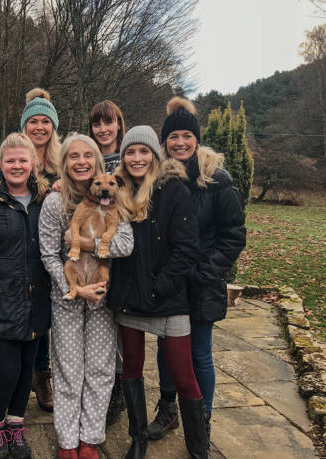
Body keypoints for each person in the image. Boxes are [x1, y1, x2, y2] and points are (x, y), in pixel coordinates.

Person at [148, 97, 246, 452]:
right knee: (165, 349)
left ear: (196, 139)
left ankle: (201, 418)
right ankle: (169, 408)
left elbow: (234, 234)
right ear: (165, 141)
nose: (180, 143)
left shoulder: (217, 180)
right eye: (173, 137)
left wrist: (206, 272)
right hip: (168, 282)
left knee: (199, 353)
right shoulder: (157, 179)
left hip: (202, 283)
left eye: (186, 135)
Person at [107, 125, 207, 459]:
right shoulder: (117, 189)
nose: (136, 158)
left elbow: (186, 250)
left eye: (143, 151)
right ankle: (138, 438)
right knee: (132, 368)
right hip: (129, 298)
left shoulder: (173, 189)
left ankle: (199, 448)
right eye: (130, 152)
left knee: (183, 375)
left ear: (154, 154)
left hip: (168, 298)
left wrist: (157, 289)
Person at [39, 133, 134, 459]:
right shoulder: (54, 203)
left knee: (100, 369)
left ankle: (90, 438)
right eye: (73, 156)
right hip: (67, 296)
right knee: (67, 370)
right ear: (64, 163)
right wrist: (74, 289)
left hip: (102, 297)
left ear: (96, 162)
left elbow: (125, 244)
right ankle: (67, 441)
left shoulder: (114, 200)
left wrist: (90, 247)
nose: (80, 161)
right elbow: (49, 254)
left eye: (87, 156)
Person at [0, 87, 61, 413]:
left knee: (39, 329)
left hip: (42, 257)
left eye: (45, 122)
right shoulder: (6, 157)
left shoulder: (59, 161)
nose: (39, 127)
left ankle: (40, 377)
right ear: (24, 126)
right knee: (6, 337)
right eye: (33, 121)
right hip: (8, 259)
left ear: (52, 126)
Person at [0, 133, 51, 459]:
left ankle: (16, 425)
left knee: (27, 367)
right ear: (1, 164)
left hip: (36, 303)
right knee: (6, 371)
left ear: (34, 164)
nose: (16, 166)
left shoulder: (45, 201)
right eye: (10, 160)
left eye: (22, 160)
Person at [87, 100, 128, 426]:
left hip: (125, 249)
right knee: (102, 323)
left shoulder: (130, 158)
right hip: (93, 254)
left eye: (108, 122)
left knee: (122, 324)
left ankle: (119, 391)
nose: (103, 129)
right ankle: (101, 388)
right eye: (97, 124)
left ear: (118, 124)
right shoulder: (91, 160)